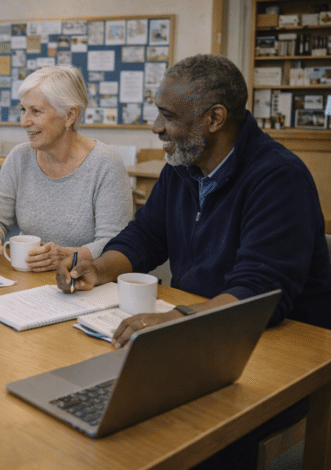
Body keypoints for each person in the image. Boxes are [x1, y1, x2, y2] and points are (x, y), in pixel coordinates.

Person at [56, 54, 331, 468]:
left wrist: (179, 320)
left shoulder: (278, 178)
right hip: (203, 329)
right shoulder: (183, 167)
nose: (157, 127)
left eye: (168, 115)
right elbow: (147, 235)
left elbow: (261, 292)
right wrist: (99, 265)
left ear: (214, 118)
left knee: (176, 434)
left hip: (281, 346)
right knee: (102, 410)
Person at [0, 65, 132, 272]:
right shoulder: (19, 157)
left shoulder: (106, 162)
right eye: (23, 110)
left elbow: (115, 244)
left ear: (69, 116)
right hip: (28, 277)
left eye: (36, 111)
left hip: (84, 280)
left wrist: (70, 256)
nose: (24, 122)